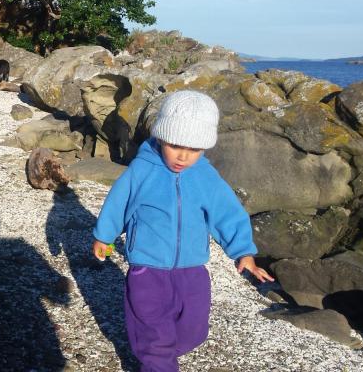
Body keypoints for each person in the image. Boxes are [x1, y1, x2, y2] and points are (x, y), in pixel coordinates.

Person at [90, 90, 274, 372]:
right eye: (176, 145)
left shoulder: (205, 176)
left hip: (192, 269)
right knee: (154, 337)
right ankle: (157, 359)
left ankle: (162, 354)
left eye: (194, 149)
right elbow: (119, 203)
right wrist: (105, 236)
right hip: (147, 268)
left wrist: (243, 251)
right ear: (162, 137)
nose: (183, 156)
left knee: (194, 331)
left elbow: (227, 212)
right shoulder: (142, 170)